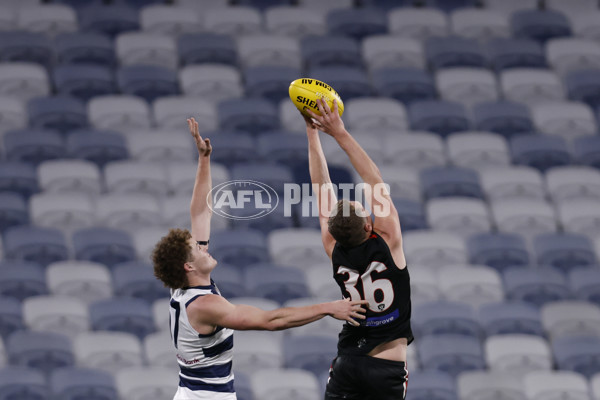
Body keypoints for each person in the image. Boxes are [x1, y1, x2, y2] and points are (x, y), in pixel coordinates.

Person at [152, 117, 369, 400]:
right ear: (188, 265)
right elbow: (271, 320)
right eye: (197, 248)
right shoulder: (205, 305)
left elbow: (200, 213)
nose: (203, 246)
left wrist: (204, 161)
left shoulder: (182, 285)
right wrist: (329, 307)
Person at [302, 99, 413, 400]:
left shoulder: (332, 246)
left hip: (348, 362)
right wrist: (338, 132)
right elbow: (373, 178)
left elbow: (321, 187)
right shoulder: (387, 237)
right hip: (387, 366)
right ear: (368, 226)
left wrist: (312, 133)